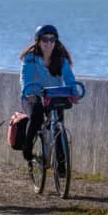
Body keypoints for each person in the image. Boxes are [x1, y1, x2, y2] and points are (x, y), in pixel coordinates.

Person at [19, 24, 77, 169]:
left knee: (58, 127)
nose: (49, 43)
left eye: (52, 40)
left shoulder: (61, 60)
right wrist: (29, 93)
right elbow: (25, 77)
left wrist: (74, 93)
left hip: (53, 96)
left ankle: (61, 166)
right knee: (37, 116)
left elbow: (69, 78)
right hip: (33, 96)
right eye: (45, 40)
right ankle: (27, 148)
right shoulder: (30, 58)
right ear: (38, 41)